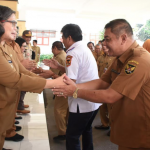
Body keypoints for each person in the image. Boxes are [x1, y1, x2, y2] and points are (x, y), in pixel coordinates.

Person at [52, 19, 150, 150]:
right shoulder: (120, 58)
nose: (104, 43)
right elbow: (102, 82)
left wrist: (75, 92)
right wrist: (74, 87)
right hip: (127, 124)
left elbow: (110, 96)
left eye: (107, 39)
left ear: (123, 38)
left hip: (141, 129)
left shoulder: (138, 61)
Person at [0, 5, 65, 150]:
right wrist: (52, 83)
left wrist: (42, 75)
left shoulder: (5, 47)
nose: (16, 28)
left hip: (6, 104)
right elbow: (16, 79)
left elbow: (21, 70)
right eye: (13, 23)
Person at [44, 24, 100, 150]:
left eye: (62, 37)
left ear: (69, 37)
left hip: (82, 103)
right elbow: (77, 72)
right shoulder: (84, 49)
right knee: (86, 130)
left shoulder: (72, 54)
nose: (62, 41)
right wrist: (59, 67)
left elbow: (70, 81)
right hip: (92, 101)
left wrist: (49, 76)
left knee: (72, 136)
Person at [34, 41, 68, 141]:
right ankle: (65, 129)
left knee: (59, 110)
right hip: (63, 85)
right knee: (64, 110)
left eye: (52, 49)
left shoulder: (60, 57)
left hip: (63, 86)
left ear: (55, 48)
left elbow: (53, 74)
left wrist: (40, 74)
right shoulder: (64, 55)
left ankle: (63, 133)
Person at [95, 45, 115, 136]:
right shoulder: (100, 57)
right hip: (101, 83)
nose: (103, 47)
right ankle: (105, 124)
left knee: (111, 107)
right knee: (102, 106)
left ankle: (113, 127)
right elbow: (97, 69)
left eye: (105, 46)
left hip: (111, 85)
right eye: (102, 46)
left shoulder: (114, 58)